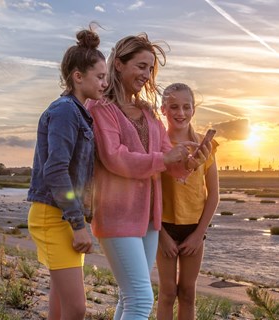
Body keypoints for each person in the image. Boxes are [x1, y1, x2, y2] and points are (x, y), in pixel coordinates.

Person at [85, 33, 209, 320]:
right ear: (118, 64)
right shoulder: (102, 108)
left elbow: (169, 162)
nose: (146, 74)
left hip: (149, 220)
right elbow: (114, 158)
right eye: (140, 66)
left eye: (150, 68)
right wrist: (164, 159)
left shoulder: (148, 112)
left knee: (129, 298)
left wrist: (190, 164)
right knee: (142, 299)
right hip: (117, 214)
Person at [26, 24, 107, 320]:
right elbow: (56, 170)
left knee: (60, 306)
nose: (104, 83)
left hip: (61, 216)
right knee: (76, 308)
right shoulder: (64, 112)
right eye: (99, 76)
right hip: (54, 217)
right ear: (78, 76)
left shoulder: (80, 113)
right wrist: (77, 224)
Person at [156, 83, 220, 320]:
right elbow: (150, 194)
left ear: (194, 110)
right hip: (164, 227)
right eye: (174, 107)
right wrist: (161, 234)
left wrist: (199, 234)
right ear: (163, 109)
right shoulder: (157, 144)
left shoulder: (206, 145)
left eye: (186, 107)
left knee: (187, 292)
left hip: (194, 228)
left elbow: (213, 193)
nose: (180, 113)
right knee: (167, 292)